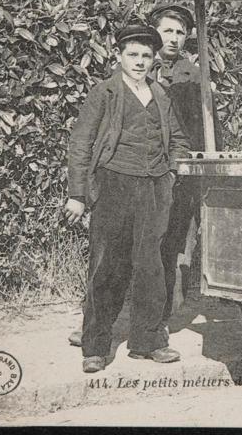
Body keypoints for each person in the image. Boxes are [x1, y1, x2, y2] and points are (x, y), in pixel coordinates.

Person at [64, 25, 190, 373]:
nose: (139, 62)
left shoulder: (161, 94)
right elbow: (81, 143)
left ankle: (147, 342)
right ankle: (95, 347)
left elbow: (178, 139)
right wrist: (77, 194)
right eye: (132, 55)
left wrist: (172, 172)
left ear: (154, 59)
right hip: (113, 185)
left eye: (146, 56)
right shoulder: (103, 92)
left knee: (151, 265)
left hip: (153, 188)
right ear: (119, 56)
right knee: (107, 266)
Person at [147, 3, 224, 327]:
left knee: (176, 246)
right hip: (142, 172)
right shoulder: (137, 67)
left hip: (181, 174)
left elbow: (208, 127)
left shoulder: (193, 75)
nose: (174, 38)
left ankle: (161, 319)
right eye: (168, 31)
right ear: (155, 33)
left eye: (180, 32)